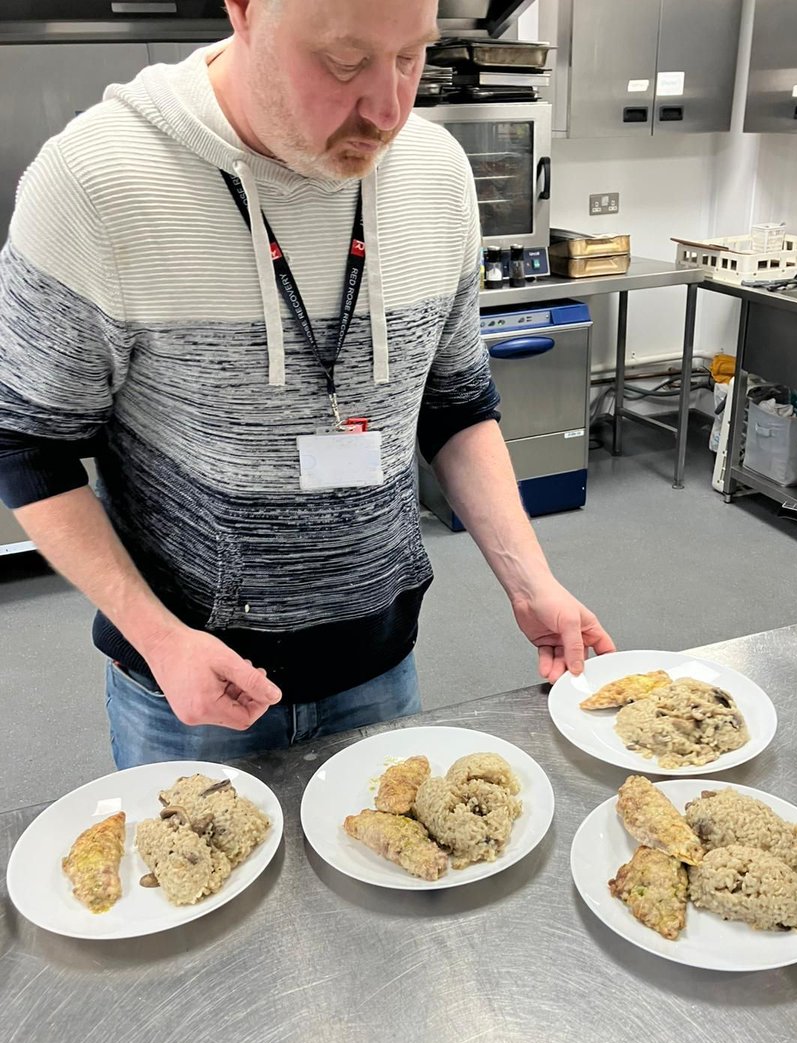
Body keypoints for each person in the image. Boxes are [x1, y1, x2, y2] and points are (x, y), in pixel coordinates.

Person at [0, 0, 614, 768]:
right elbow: (27, 447)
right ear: (245, 11)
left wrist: (532, 583)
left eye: (410, 56)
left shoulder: (435, 171)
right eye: (346, 61)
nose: (388, 110)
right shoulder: (94, 183)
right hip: (187, 687)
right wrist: (162, 643)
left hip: (380, 664)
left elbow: (456, 407)